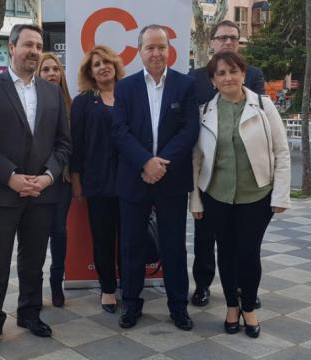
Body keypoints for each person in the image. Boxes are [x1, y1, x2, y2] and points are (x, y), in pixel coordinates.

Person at [0, 24, 71, 350]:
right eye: (28, 44)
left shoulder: (53, 92)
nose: (34, 51)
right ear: (12, 48)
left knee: (33, 260)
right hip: (1, 192)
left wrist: (48, 177)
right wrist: (10, 176)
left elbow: (63, 145)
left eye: (38, 45)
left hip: (42, 192)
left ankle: (29, 312)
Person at [190, 51, 290, 338]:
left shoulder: (263, 105)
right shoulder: (205, 112)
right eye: (220, 73)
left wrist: (280, 195)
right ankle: (231, 306)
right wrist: (195, 200)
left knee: (248, 253)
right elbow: (196, 161)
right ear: (212, 80)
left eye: (233, 71)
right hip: (217, 196)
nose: (228, 77)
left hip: (256, 196)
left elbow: (281, 152)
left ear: (243, 74)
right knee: (226, 252)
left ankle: (248, 307)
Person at [112, 25, 199, 330]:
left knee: (174, 246)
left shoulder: (185, 85)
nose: (156, 53)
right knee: (131, 246)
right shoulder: (125, 87)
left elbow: (190, 130)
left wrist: (160, 163)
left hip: (171, 179)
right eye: (149, 47)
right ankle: (132, 305)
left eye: (161, 47)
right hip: (134, 178)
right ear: (140, 51)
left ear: (169, 49)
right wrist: (145, 162)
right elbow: (119, 131)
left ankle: (178, 306)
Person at [189, 20, 266, 308]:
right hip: (208, 172)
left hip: (245, 177)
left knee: (243, 243)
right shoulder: (194, 77)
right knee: (204, 236)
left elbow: (255, 113)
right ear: (210, 42)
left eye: (233, 37)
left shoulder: (254, 75)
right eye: (222, 38)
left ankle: (245, 290)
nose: (228, 42)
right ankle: (203, 285)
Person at [70, 45, 125, 313]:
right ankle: (107, 289)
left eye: (106, 61)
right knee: (103, 238)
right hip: (98, 181)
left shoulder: (130, 95)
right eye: (96, 64)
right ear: (90, 72)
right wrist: (77, 181)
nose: (103, 66)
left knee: (130, 238)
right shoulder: (83, 102)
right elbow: (76, 145)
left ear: (115, 64)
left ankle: (130, 282)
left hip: (130, 182)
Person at [36, 53, 72, 307]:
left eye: (55, 69)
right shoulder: (30, 101)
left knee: (59, 232)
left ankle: (56, 283)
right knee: (35, 236)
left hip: (63, 181)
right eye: (46, 69)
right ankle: (32, 288)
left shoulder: (71, 104)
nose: (51, 73)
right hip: (35, 180)